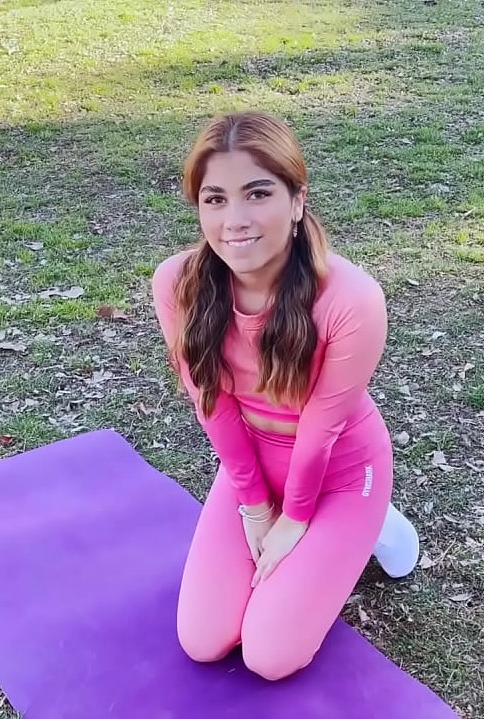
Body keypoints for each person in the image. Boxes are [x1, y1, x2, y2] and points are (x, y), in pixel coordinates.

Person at [150, 110, 420, 682]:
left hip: (341, 472)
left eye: (258, 193)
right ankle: (325, 533)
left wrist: (295, 517)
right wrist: (254, 504)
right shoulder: (178, 283)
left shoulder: (351, 298)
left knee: (269, 657)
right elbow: (212, 402)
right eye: (215, 199)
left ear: (297, 201)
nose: (235, 220)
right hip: (256, 467)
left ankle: (372, 522)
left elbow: (323, 425)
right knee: (202, 641)